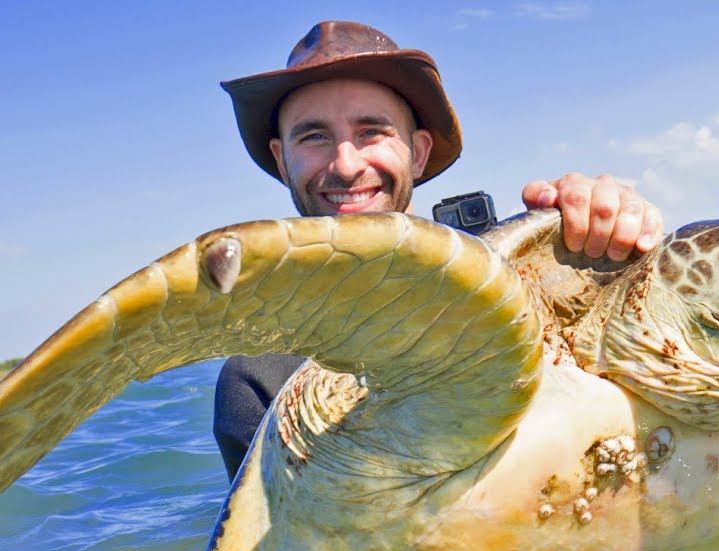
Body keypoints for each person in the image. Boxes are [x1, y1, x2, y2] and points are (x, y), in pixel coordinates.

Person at [213, 20, 664, 479]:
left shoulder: (535, 275)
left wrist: (612, 240)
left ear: (419, 151)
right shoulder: (260, 379)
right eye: (313, 137)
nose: (346, 165)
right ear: (282, 161)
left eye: (372, 131)